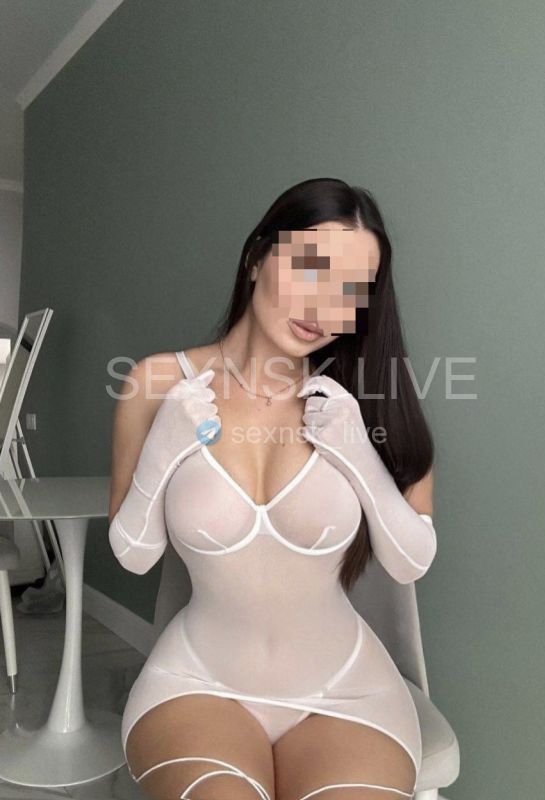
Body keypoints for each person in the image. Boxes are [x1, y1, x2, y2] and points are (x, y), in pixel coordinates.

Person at [108, 177, 436, 800]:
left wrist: (360, 457)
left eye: (352, 290)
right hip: (197, 682)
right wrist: (162, 449)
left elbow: (410, 561)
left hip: (348, 692)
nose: (325, 307)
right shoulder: (157, 383)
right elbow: (134, 555)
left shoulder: (363, 398)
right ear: (257, 256)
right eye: (311, 267)